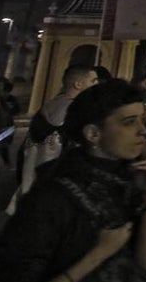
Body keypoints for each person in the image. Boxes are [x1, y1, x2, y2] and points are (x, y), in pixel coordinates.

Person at [0, 79, 146, 282]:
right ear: (92, 133)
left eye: (142, 120)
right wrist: (97, 255)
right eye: (130, 122)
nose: (143, 130)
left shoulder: (126, 180)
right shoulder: (54, 196)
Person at [18, 64, 98, 198]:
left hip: (32, 177)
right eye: (93, 81)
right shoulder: (74, 110)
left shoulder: (51, 105)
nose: (96, 85)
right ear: (78, 84)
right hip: (55, 182)